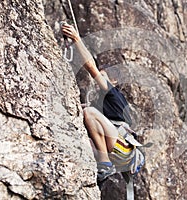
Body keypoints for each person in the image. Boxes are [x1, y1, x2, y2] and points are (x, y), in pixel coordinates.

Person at [61, 23, 144, 181]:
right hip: (119, 151)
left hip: (123, 147)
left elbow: (91, 67)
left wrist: (76, 39)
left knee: (89, 113)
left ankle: (104, 163)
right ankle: (101, 169)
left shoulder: (113, 94)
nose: (100, 78)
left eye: (104, 75)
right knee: (81, 142)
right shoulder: (102, 105)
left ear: (112, 81)